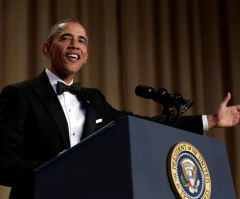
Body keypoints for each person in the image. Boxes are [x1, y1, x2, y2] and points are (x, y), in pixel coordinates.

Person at [0, 19, 239, 199]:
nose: (75, 44)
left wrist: (210, 120)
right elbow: (4, 165)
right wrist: (52, 165)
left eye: (82, 40)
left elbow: (142, 125)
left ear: (85, 56)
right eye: (65, 37)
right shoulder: (19, 95)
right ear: (46, 49)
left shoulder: (94, 100)